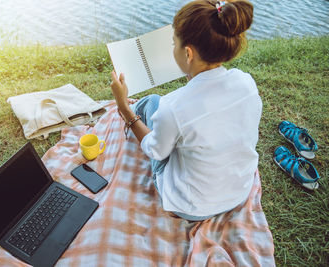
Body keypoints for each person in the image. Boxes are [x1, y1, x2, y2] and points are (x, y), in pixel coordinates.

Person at [110, 0, 261, 221]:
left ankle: (131, 111)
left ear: (188, 54)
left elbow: (156, 153)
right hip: (238, 191)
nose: (172, 50)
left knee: (152, 102)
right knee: (165, 115)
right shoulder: (246, 84)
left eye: (174, 43)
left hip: (190, 206)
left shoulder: (172, 107)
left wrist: (123, 106)